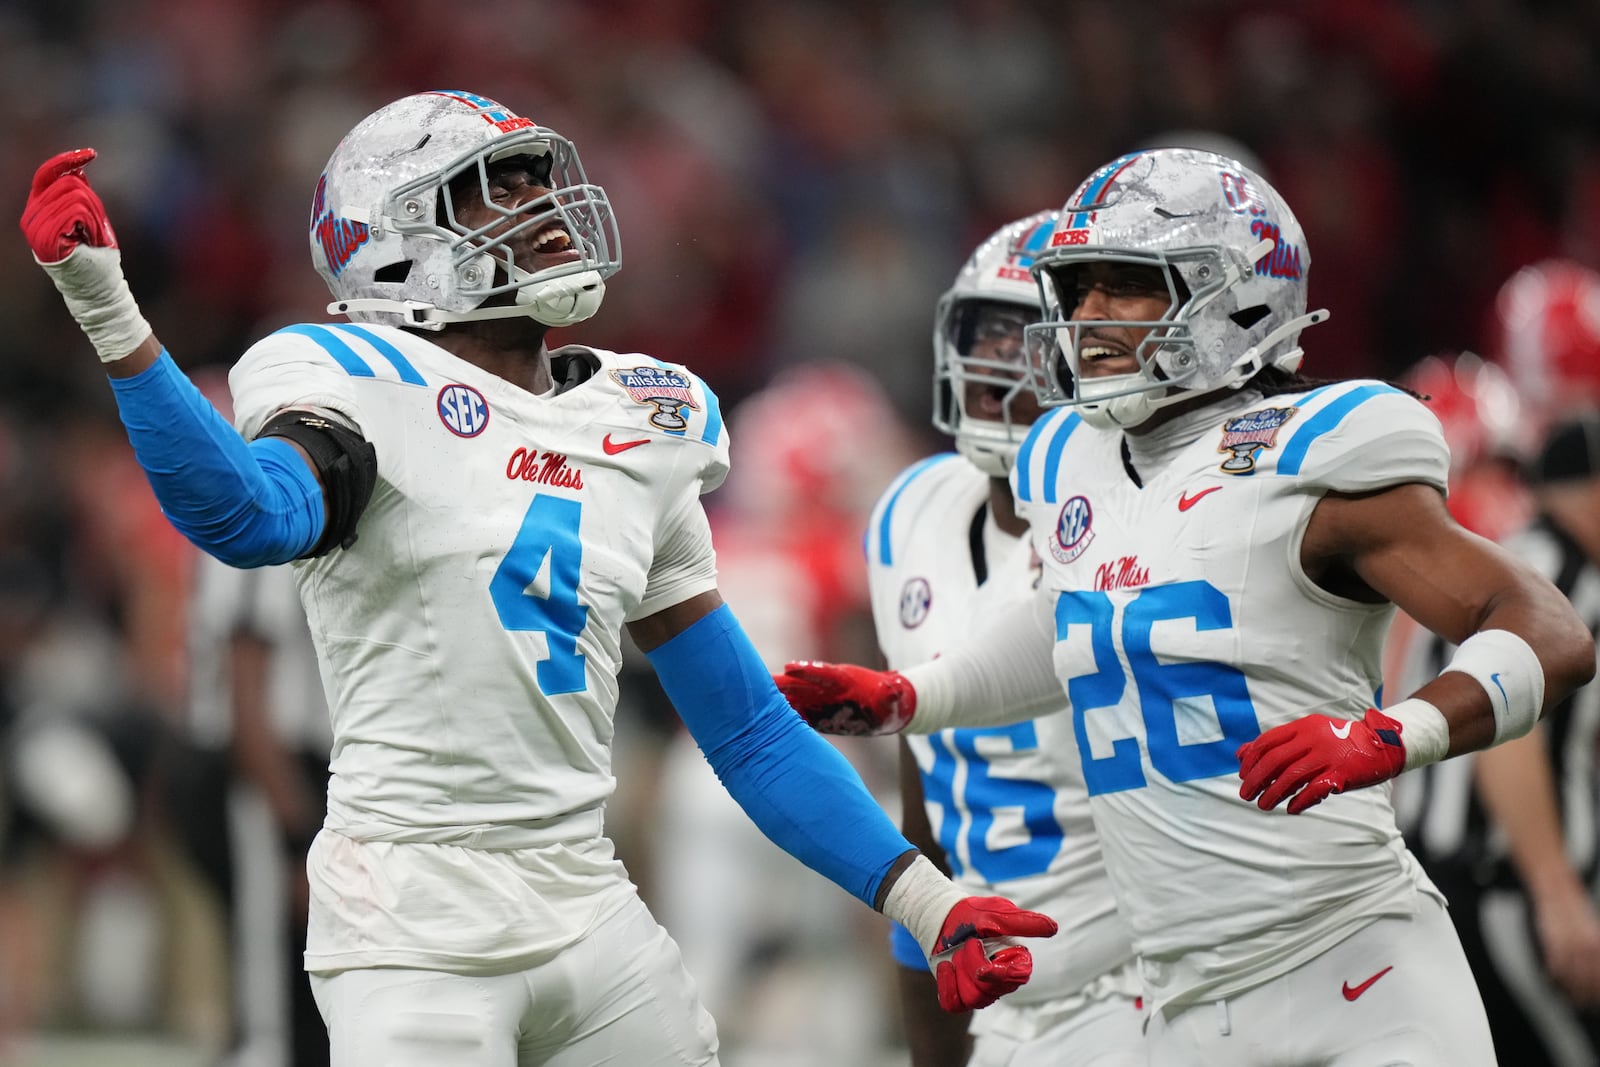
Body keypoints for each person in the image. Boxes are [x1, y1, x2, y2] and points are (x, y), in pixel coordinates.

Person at [19, 89, 1058, 1066]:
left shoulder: (638, 421)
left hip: (586, 895)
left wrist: (926, 902)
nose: (542, 204)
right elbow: (250, 515)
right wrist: (109, 308)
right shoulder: (354, 380)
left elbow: (742, 724)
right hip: (412, 916)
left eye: (536, 177)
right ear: (391, 245)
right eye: (495, 189)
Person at [771, 147, 1597, 1067]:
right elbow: (1069, 624)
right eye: (1075, 289)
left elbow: (1549, 630)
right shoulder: (1068, 458)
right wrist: (912, 698)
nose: (1085, 317)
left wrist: (1394, 734)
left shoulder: (1315, 452)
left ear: (1239, 294)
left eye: (1124, 285)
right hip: (1184, 1011)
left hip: (1359, 973)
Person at [868, 210, 1143, 1067]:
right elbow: (924, 823)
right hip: (995, 1000)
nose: (994, 367)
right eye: (984, 333)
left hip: (1137, 982)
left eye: (1025, 338)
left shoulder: (1133, 518)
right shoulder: (910, 512)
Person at [1395, 412, 1600, 1065]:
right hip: (1505, 893)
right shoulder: (1568, 579)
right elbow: (1508, 734)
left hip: (1435, 879)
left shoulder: (1499, 559)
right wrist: (1558, 892)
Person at [182, 551, 332, 1067]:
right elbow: (244, 693)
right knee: (270, 1025)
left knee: (314, 1012)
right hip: (265, 777)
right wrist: (298, 837)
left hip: (298, 776)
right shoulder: (260, 520)